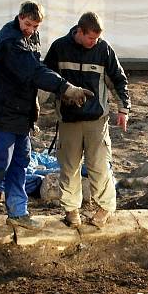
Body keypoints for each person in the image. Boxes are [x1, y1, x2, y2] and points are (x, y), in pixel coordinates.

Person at [0, 0, 94, 234]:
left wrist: (34, 102)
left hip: (21, 113)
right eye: (27, 24)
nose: (31, 29)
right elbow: (33, 71)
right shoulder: (9, 41)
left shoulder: (30, 37)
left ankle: (17, 212)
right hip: (3, 111)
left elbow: (34, 69)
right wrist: (65, 88)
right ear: (20, 17)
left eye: (35, 26)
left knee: (21, 161)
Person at [43, 11, 131, 228]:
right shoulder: (59, 48)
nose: (95, 42)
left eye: (98, 38)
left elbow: (118, 80)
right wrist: (40, 103)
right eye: (91, 38)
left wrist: (123, 110)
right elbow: (45, 78)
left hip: (96, 121)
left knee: (99, 166)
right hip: (68, 120)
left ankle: (105, 208)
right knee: (69, 167)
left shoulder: (103, 50)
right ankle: (72, 211)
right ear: (79, 32)